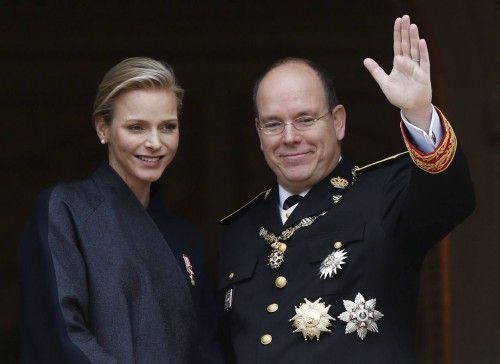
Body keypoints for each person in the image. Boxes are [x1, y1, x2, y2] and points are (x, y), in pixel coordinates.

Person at [217, 15, 475, 363]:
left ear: (337, 121)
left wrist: (418, 112)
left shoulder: (385, 194)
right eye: (274, 124)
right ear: (258, 133)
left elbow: (449, 196)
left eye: (306, 119)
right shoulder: (239, 232)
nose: (290, 137)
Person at [20, 57, 222, 363]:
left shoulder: (185, 238)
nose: (155, 142)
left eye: (168, 127)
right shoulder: (66, 210)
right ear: (104, 128)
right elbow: (61, 336)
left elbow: (206, 347)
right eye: (136, 127)